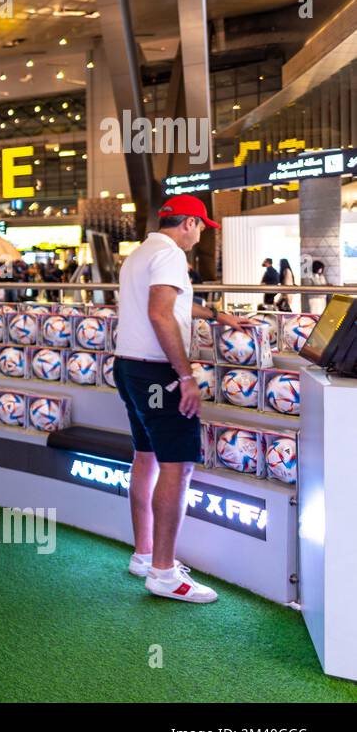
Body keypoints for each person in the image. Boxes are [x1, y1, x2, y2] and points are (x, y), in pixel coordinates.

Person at [113, 195, 256, 604]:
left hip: (129, 367)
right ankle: (163, 573)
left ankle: (144, 555)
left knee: (146, 458)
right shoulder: (172, 255)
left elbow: (169, 303)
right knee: (177, 467)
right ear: (189, 223)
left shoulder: (141, 253)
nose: (200, 237)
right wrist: (185, 376)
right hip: (159, 374)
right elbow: (160, 313)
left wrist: (215, 315)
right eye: (201, 228)